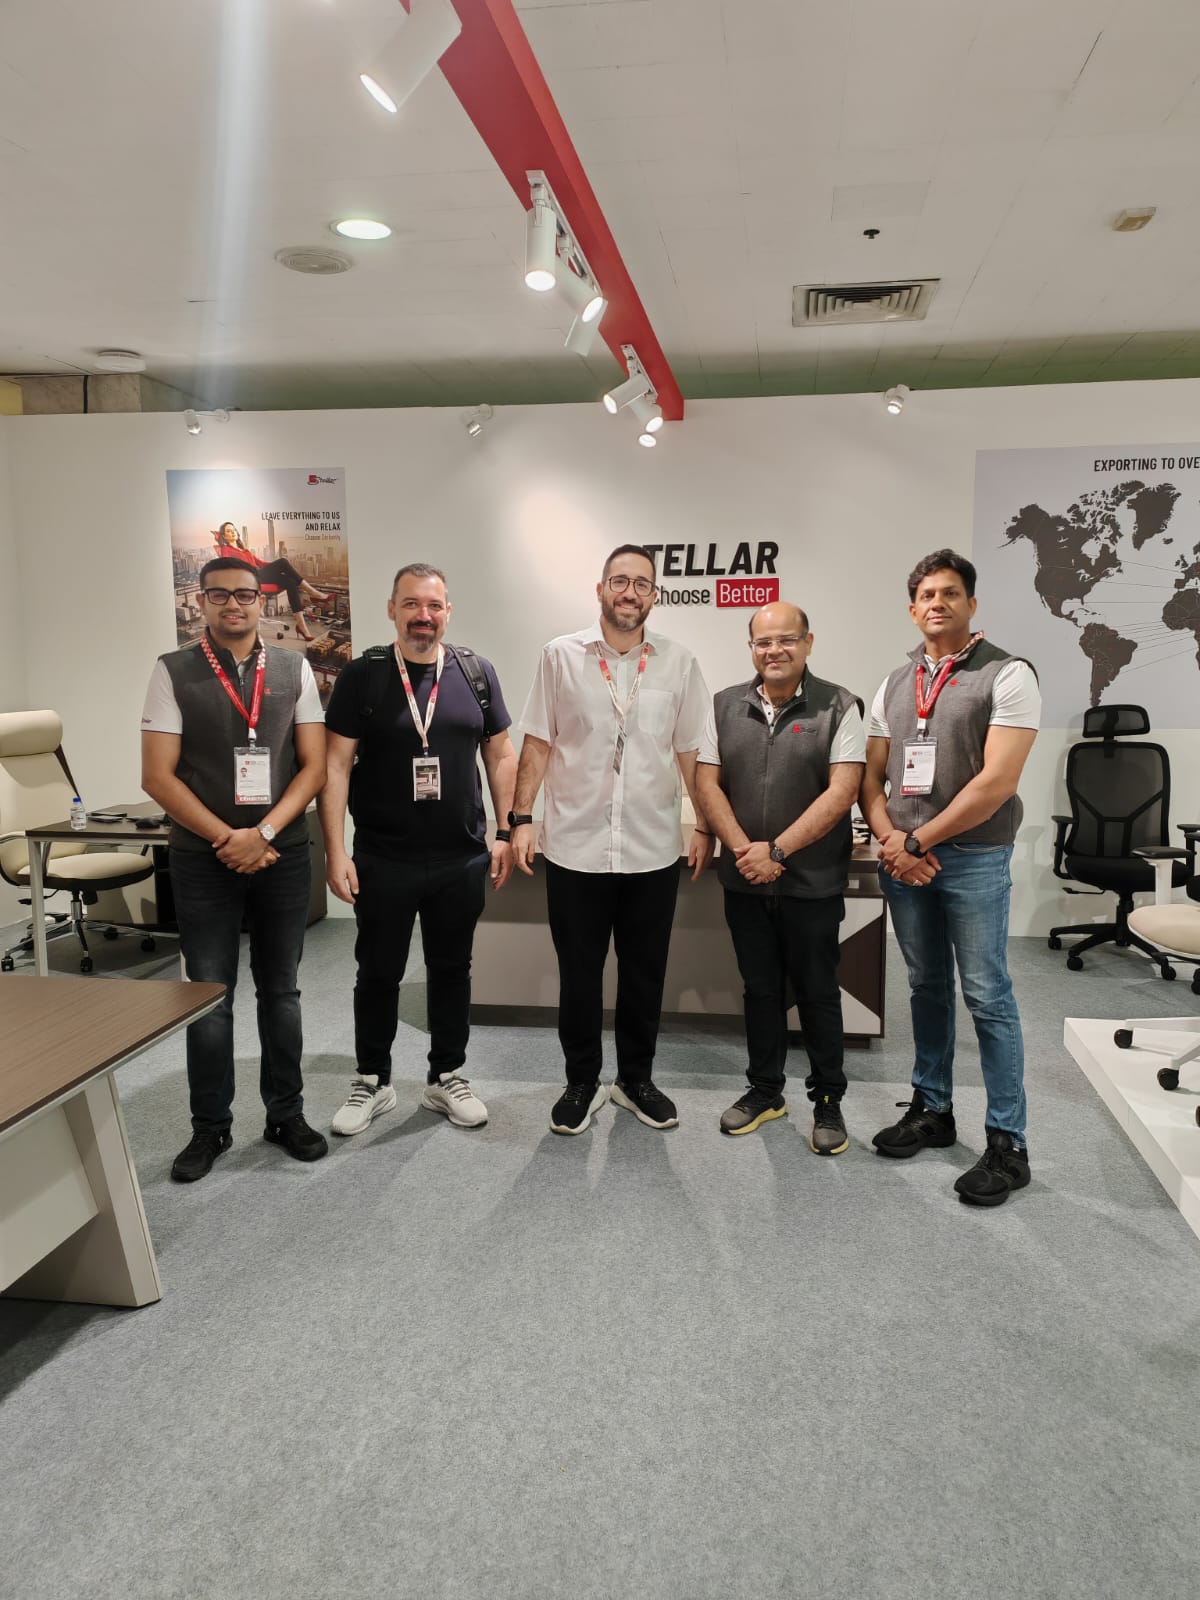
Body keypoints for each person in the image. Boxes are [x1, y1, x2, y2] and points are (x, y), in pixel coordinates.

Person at [512, 543, 713, 1135]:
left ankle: (635, 1080)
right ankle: (581, 1081)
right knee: (579, 973)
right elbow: (538, 741)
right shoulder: (560, 656)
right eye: (619, 581)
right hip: (575, 847)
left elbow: (691, 752)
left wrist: (704, 823)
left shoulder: (679, 663)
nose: (630, 592)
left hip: (651, 849)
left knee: (645, 972)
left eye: (642, 584)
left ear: (655, 595)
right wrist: (520, 818)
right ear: (600, 589)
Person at [860, 548, 1040, 1207]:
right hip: (905, 859)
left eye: (950, 593)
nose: (937, 603)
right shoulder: (893, 683)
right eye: (926, 595)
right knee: (926, 987)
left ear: (971, 604)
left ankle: (1008, 1144)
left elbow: (997, 782)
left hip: (972, 859)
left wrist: (916, 841)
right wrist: (891, 841)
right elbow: (869, 778)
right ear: (913, 610)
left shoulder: (1008, 674)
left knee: (987, 996)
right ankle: (932, 1110)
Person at [141, 555, 328, 1181]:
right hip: (204, 858)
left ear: (261, 600)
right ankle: (210, 1128)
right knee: (208, 995)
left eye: (244, 595)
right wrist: (229, 838)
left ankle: (286, 1115)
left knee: (282, 991)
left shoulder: (294, 668)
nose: (233, 605)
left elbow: (314, 766)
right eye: (218, 595)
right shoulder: (173, 671)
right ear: (201, 601)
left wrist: (264, 833)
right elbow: (157, 776)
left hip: (282, 853)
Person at [319, 563, 516, 1135]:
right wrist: (336, 851)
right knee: (377, 972)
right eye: (411, 604)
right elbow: (335, 766)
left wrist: (506, 831)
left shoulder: (475, 673)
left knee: (452, 969)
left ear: (447, 611)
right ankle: (372, 1080)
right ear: (392, 610)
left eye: (433, 605)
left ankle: (446, 1076)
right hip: (384, 857)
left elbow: (501, 755)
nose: (422, 616)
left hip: (460, 857)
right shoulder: (364, 675)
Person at [697, 603, 865, 1149]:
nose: (775, 650)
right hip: (745, 879)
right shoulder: (723, 705)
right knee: (760, 990)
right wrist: (744, 851)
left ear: (808, 643)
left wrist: (778, 850)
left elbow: (843, 791)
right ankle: (766, 1090)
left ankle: (828, 1101)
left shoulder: (840, 705)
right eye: (763, 642)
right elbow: (707, 783)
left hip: (811, 880)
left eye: (787, 639)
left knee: (818, 992)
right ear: (751, 648)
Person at [213, 523, 329, 641]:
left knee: (289, 580)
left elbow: (261, 564)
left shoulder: (245, 551)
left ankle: (301, 625)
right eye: (228, 531)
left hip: (259, 576)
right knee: (283, 562)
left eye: (233, 530)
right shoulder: (225, 549)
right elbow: (227, 566)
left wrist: (279, 567)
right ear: (224, 536)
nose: (233, 532)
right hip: (249, 581)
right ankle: (313, 593)